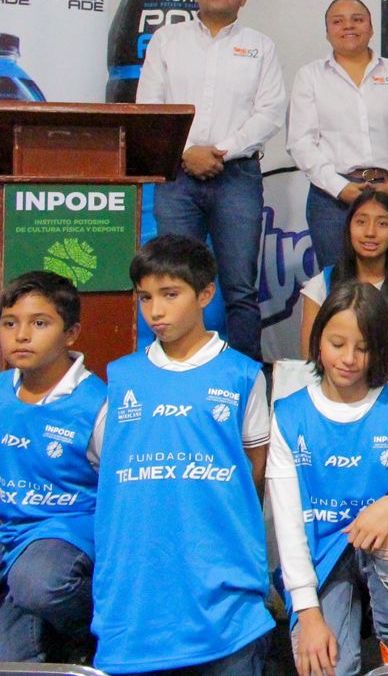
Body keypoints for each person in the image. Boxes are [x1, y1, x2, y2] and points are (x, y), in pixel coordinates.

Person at [93, 234, 273, 675]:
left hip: (225, 606)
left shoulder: (243, 375)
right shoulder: (120, 378)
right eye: (145, 297)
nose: (155, 311)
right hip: (135, 608)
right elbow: (104, 466)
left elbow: (256, 468)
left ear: (205, 294)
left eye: (170, 295)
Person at [270, 283, 388, 674]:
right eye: (337, 343)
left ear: (380, 350)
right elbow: (289, 526)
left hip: (385, 545)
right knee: (327, 667)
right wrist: (309, 616)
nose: (348, 359)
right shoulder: (288, 415)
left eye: (363, 347)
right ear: (318, 344)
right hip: (320, 555)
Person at [136, 0, 287, 361]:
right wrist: (187, 154)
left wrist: (220, 152)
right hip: (176, 175)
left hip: (236, 177)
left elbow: (270, 111)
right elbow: (150, 107)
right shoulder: (167, 40)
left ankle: (247, 381)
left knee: (239, 287)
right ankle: (173, 372)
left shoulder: (260, 47)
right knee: (172, 281)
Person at [0, 272, 105, 662]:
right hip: (10, 535)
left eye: (39, 323)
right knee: (11, 658)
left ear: (71, 333)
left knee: (38, 584)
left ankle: (92, 632)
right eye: (10, 323)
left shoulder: (98, 405)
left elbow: (121, 497)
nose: (21, 335)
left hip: (63, 536)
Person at [287, 0, 388, 272]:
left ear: (371, 27)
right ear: (327, 32)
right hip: (331, 198)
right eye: (337, 21)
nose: (348, 26)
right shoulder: (310, 76)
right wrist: (340, 188)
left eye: (357, 19)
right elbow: (300, 142)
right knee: (338, 284)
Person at [297, 188, 388, 363]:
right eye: (361, 222)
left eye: (382, 224)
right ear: (348, 228)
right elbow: (310, 359)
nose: (370, 232)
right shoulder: (320, 285)